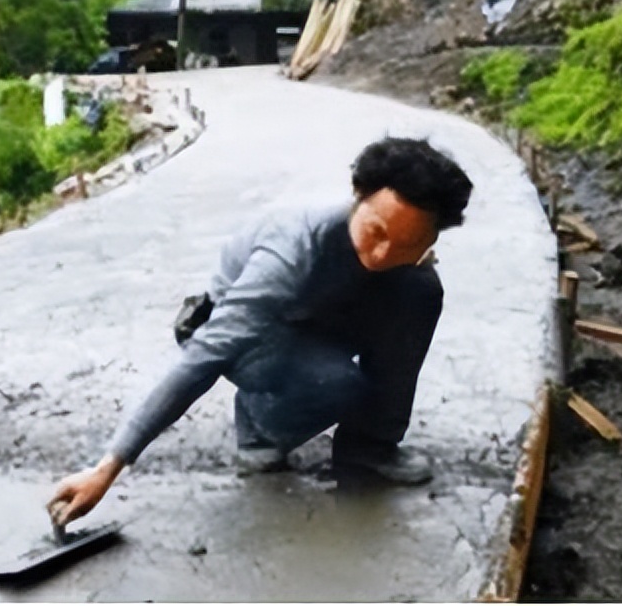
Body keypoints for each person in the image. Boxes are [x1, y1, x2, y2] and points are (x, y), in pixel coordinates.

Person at [48, 136, 473, 528]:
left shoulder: (403, 253)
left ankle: (369, 445)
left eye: (406, 244)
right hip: (249, 332)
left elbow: (396, 269)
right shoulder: (291, 250)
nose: (383, 253)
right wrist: (107, 467)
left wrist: (406, 266)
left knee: (420, 289)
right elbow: (204, 355)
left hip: (321, 314)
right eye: (376, 232)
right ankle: (256, 426)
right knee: (337, 383)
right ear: (357, 198)